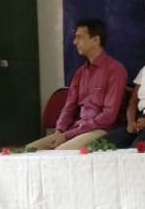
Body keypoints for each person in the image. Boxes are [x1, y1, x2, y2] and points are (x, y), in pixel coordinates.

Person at [26, 19, 127, 150]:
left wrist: (68, 135)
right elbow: (68, 107)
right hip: (76, 129)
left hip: (102, 129)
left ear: (95, 40)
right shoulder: (80, 72)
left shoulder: (115, 70)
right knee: (29, 150)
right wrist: (59, 131)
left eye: (79, 37)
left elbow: (108, 117)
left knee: (61, 152)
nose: (74, 42)